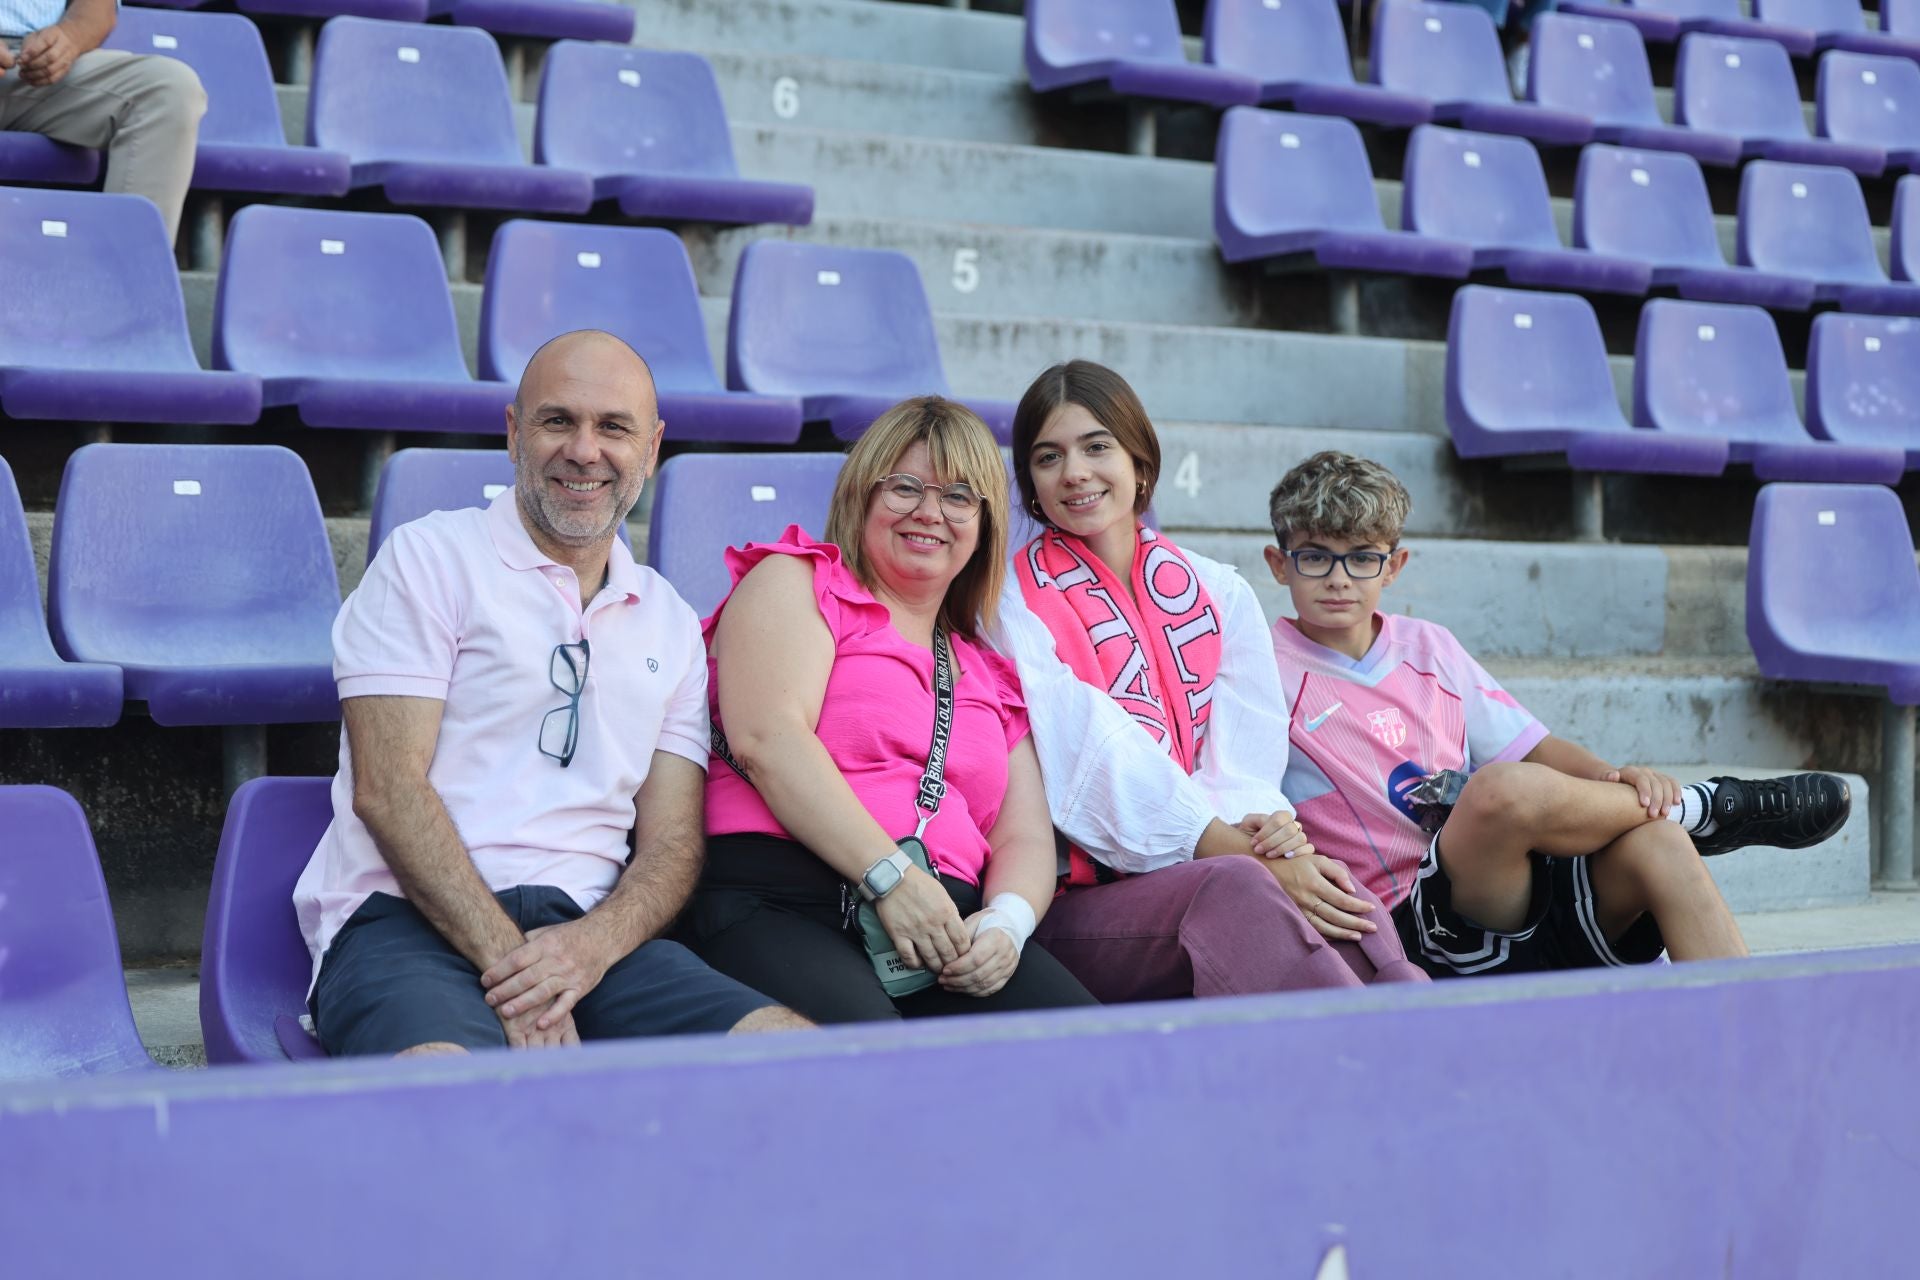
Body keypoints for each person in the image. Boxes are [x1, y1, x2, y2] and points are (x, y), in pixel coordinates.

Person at [294, 331, 809, 1057]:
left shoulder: (669, 619)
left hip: (590, 938)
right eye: (558, 420)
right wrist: (520, 973)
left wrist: (589, 948)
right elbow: (388, 790)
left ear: (653, 448)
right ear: (513, 433)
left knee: (794, 1059)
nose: (585, 450)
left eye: (614, 427)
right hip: (404, 923)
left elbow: (671, 841)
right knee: (451, 1098)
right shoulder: (428, 558)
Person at [1264, 450, 1854, 978]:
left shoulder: (1428, 646)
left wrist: (1616, 781)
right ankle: (1703, 809)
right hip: (1413, 927)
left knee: (1659, 842)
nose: (1339, 579)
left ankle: (1754, 1051)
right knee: (1496, 793)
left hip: (1522, 886)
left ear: (1394, 566)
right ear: (1278, 563)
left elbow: (1537, 749)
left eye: (1362, 558)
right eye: (1315, 557)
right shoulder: (1264, 671)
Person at [988, 360, 1426, 1003]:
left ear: (1140, 462)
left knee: (1332, 883)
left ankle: (1417, 1020)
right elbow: (1085, 750)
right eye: (1048, 456)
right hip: (1078, 900)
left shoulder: (1217, 589)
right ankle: (1374, 1053)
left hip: (1215, 858)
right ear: (1030, 481)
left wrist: (1263, 833)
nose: (1074, 472)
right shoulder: (1009, 602)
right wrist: (1234, 850)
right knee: (1240, 889)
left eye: (1097, 446)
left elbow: (1245, 756)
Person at [680, 395, 1100, 1023]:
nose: (930, 512)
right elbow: (767, 739)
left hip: (942, 929)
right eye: (905, 487)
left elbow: (1024, 836)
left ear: (983, 525)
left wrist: (1007, 926)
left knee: (1088, 1048)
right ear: (862, 497)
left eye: (959, 497)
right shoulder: (798, 583)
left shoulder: (989, 671)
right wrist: (892, 880)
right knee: (877, 1057)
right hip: (782, 896)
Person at [1, 0, 206, 244]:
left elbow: (98, 9)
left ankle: (127, 273)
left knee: (170, 90)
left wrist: (70, 36)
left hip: (32, 63)